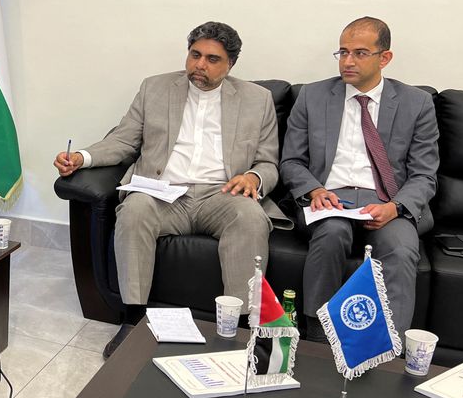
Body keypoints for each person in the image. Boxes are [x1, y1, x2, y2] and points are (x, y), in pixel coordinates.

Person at [54, 22, 282, 358]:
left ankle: (242, 328)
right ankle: (132, 320)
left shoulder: (257, 100)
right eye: (195, 55)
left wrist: (253, 178)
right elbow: (123, 140)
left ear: (230, 64)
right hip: (162, 191)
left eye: (212, 59)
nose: (200, 65)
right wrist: (82, 157)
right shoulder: (155, 88)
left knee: (250, 219)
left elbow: (268, 163)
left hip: (222, 195)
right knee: (133, 210)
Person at [280, 18, 439, 339]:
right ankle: (317, 335)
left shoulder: (416, 103)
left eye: (360, 53)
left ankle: (388, 345)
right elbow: (291, 161)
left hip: (386, 203)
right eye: (342, 52)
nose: (348, 61)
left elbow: (425, 173)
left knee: (401, 248)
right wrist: (313, 190)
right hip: (328, 198)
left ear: (385, 58)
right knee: (331, 233)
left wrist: (396, 208)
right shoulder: (312, 96)